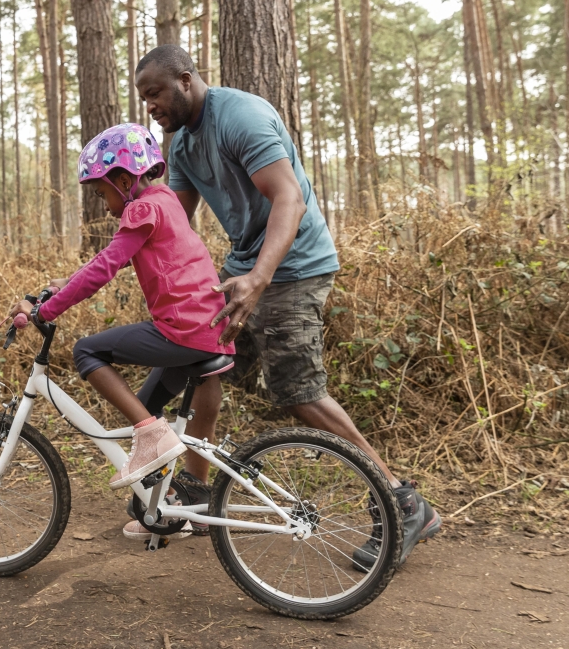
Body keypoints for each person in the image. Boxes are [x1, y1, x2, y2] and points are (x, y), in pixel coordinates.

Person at [134, 44, 440, 567]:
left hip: (294, 265)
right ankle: (195, 489)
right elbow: (175, 223)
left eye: (155, 94)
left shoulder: (241, 117)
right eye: (144, 98)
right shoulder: (182, 144)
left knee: (298, 393)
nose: (151, 107)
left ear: (186, 80)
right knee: (200, 361)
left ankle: (402, 502)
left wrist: (258, 278)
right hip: (245, 266)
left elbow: (289, 198)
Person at [10, 122, 234, 505]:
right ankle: (165, 509)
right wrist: (65, 284)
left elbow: (104, 268)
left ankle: (152, 437)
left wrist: (45, 310)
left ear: (121, 179)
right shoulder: (165, 201)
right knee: (145, 410)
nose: (103, 204)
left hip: (183, 329)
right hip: (205, 328)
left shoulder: (141, 208)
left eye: (101, 192)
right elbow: (123, 258)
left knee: (87, 351)